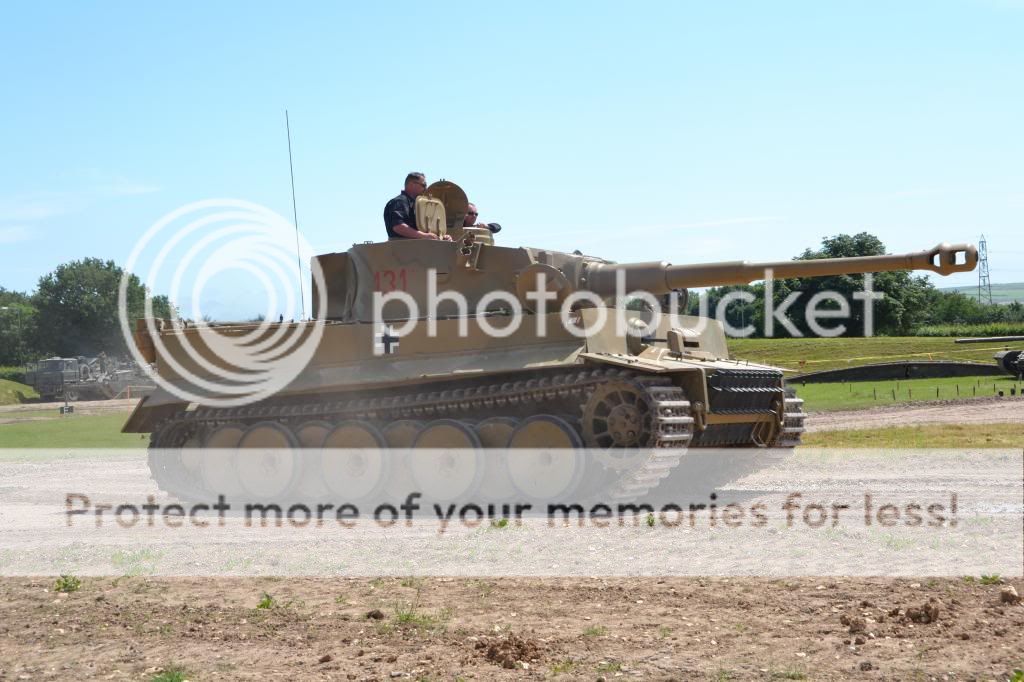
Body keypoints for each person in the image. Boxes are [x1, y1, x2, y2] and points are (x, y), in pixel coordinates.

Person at [383, 172, 451, 240]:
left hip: (417, 246)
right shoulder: (400, 202)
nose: (425, 188)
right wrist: (424, 236)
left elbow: (423, 230)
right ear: (412, 184)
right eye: (423, 185)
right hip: (402, 247)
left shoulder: (417, 204)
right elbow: (398, 226)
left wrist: (440, 236)